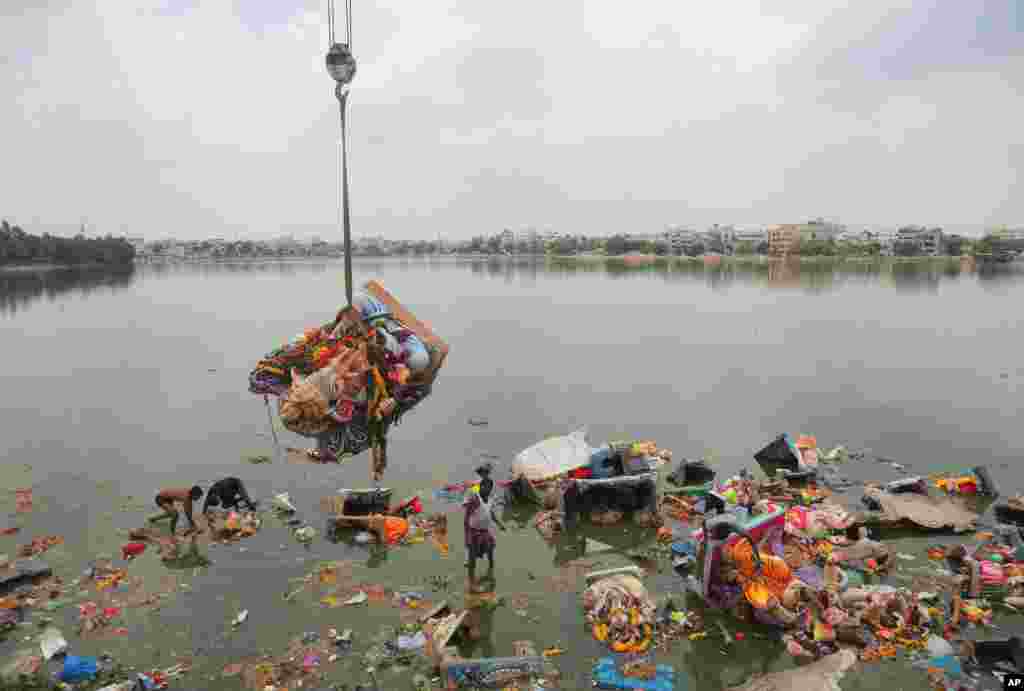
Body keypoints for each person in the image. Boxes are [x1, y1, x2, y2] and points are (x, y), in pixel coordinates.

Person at [463, 464, 506, 574]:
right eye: (484, 486)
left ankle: (491, 572)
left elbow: (490, 513)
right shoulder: (475, 495)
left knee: (490, 550)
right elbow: (466, 517)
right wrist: (467, 534)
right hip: (474, 531)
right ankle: (471, 579)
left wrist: (499, 524)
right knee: (472, 556)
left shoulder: (489, 497)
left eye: (489, 487)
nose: (487, 488)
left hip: (485, 531)